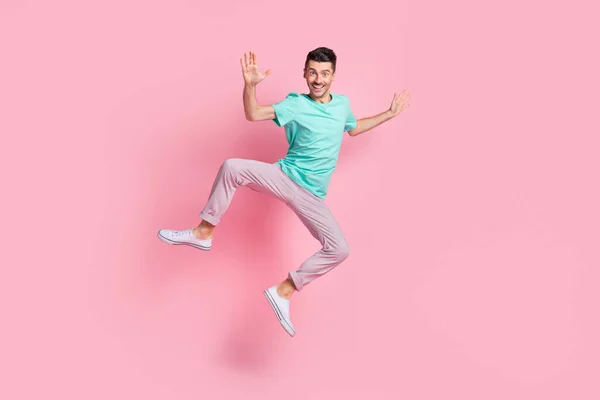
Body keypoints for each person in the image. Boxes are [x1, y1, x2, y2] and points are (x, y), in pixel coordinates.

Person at [158, 47, 410, 337]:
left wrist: (389, 114)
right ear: (304, 73)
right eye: (313, 72)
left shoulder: (342, 105)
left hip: (311, 196)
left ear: (333, 76)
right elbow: (252, 114)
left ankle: (284, 291)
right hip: (284, 176)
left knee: (340, 249)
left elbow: (352, 128)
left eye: (325, 73)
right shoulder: (296, 104)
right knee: (232, 166)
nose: (318, 79)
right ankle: (203, 233)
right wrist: (250, 86)